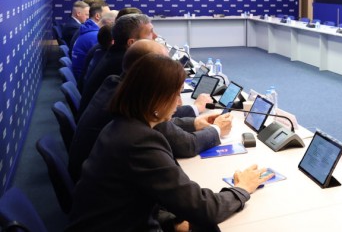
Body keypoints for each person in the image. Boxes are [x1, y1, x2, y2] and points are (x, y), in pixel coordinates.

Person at [66, 54, 271, 231]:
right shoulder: (140, 142)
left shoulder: (121, 125)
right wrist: (242, 188)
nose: (180, 102)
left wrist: (171, 222)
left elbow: (133, 196)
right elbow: (203, 209)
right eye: (176, 95)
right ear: (156, 99)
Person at [68, 39, 228, 182]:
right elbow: (186, 146)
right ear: (150, 71)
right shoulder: (140, 134)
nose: (179, 102)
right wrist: (217, 129)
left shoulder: (116, 86)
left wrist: (195, 122)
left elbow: (161, 119)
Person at [79, 13, 157, 115]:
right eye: (150, 33)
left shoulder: (114, 55)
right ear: (131, 43)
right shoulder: (125, 65)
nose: (155, 36)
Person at [71, 1, 111, 78]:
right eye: (108, 14)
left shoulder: (88, 29)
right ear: (97, 16)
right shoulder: (95, 36)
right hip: (84, 77)